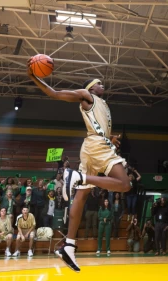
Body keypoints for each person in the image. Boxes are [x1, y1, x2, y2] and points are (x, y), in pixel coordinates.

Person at [28, 62, 130, 272]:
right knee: (124, 184)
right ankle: (78, 177)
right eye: (98, 83)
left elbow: (96, 126)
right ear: (91, 87)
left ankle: (70, 246)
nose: (102, 85)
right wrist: (33, 76)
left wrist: (110, 136)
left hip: (93, 146)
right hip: (97, 148)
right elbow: (55, 94)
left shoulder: (100, 103)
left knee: (81, 197)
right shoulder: (86, 95)